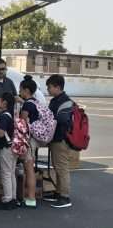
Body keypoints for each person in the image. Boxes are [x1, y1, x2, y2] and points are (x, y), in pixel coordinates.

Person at [43, 74, 74, 208]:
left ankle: (65, 197)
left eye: (50, 87)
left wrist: (50, 117)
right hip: (55, 138)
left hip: (61, 139)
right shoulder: (56, 100)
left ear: (58, 87)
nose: (48, 90)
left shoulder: (65, 102)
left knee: (62, 168)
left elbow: (62, 120)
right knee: (57, 167)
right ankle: (58, 192)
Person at [0, 92, 17, 210]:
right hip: (14, 146)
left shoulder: (4, 116)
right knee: (11, 173)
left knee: (6, 173)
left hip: (6, 147)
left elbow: (1, 133)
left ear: (4, 102)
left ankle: (7, 199)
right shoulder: (10, 114)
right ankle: (13, 198)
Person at [18, 75, 40, 208]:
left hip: (29, 139)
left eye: (20, 89)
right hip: (35, 139)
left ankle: (31, 198)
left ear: (26, 90)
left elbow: (22, 122)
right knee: (29, 168)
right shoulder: (36, 102)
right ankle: (28, 197)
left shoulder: (27, 104)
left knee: (29, 169)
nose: (19, 91)